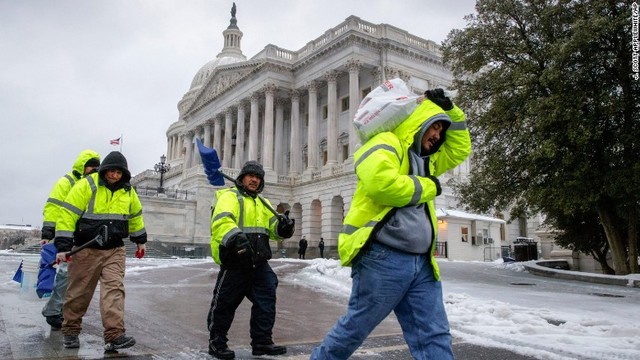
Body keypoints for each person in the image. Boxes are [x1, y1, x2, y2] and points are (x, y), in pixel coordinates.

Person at [311, 89, 471, 359]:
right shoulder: (385, 142)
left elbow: (460, 148)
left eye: (442, 131)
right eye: (435, 126)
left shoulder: (425, 159)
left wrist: (449, 109)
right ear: (420, 120)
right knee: (356, 328)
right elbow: (381, 185)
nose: (438, 136)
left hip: (422, 264)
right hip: (383, 258)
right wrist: (429, 186)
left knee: (434, 333)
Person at [53, 151, 147, 351]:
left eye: (119, 173)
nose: (114, 176)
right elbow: (67, 215)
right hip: (86, 249)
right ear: (104, 170)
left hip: (114, 250)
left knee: (114, 291)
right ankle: (70, 330)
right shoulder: (86, 185)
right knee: (79, 293)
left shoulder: (129, 192)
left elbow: (136, 216)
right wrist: (63, 246)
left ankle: (114, 335)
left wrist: (140, 241)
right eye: (111, 171)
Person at [207, 160, 295, 360]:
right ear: (242, 178)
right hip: (235, 261)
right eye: (251, 176)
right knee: (224, 304)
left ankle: (262, 342)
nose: (254, 180)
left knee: (266, 301)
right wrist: (236, 237)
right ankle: (217, 343)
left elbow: (273, 230)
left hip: (259, 263)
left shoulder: (263, 203)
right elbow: (221, 222)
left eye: (258, 178)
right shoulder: (229, 197)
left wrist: (284, 228)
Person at [40, 149, 101, 330]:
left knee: (73, 276)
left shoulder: (92, 185)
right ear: (82, 166)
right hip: (64, 234)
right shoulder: (66, 182)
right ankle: (53, 311)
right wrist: (48, 232)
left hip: (81, 235)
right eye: (91, 166)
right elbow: (53, 206)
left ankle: (59, 309)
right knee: (66, 274)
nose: (94, 170)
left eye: (97, 167)